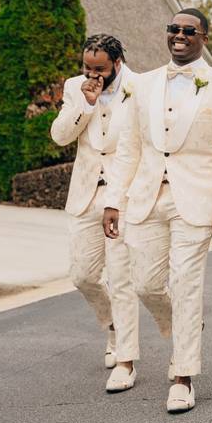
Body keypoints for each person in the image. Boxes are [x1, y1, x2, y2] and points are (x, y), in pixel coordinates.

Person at [103, 9, 212, 412]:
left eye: (189, 31)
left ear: (204, 38)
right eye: (174, 29)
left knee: (187, 284)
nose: (180, 36)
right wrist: (114, 199)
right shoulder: (141, 85)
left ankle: (183, 376)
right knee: (145, 283)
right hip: (146, 196)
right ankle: (181, 322)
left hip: (197, 198)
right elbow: (128, 147)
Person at [51, 34, 154, 392]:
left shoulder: (142, 87)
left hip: (123, 197)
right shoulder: (75, 87)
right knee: (82, 275)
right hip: (84, 196)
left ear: (117, 64)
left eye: (100, 70)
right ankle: (112, 324)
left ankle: (126, 360)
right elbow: (60, 136)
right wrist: (86, 104)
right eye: (87, 68)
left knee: (122, 279)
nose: (92, 75)